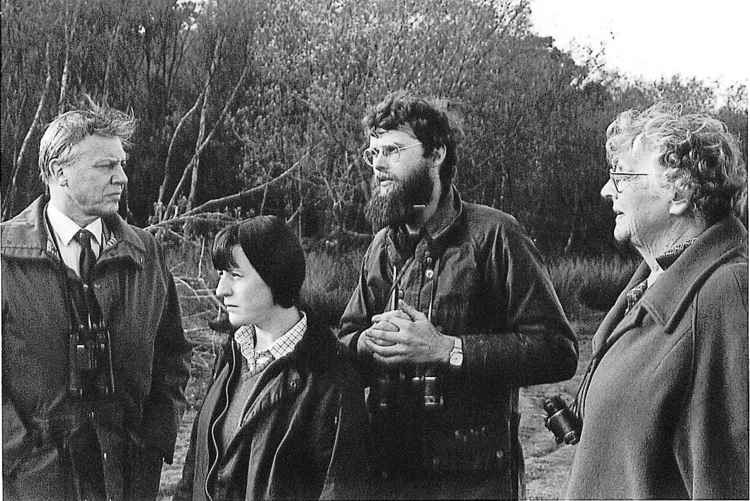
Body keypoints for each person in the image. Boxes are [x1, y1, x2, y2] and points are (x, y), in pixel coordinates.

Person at [338, 91, 578, 499]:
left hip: (473, 483)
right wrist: (366, 342)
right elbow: (345, 340)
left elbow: (557, 351)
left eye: (392, 150)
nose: (377, 164)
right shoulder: (382, 247)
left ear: (436, 154)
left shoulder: (495, 235)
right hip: (387, 476)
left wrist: (447, 348)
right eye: (372, 152)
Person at [1, 104, 192, 500]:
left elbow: (172, 355)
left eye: (121, 164)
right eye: (106, 166)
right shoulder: (4, 256)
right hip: (35, 484)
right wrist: (19, 456)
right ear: (58, 173)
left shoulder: (146, 253)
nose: (121, 177)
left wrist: (156, 439)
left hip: (128, 478)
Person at [565, 104, 748, 499]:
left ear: (679, 192)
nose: (606, 190)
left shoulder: (727, 294)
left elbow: (732, 482)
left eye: (622, 177)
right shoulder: (652, 281)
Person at [174, 216, 371, 500]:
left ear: (275, 275)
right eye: (221, 274)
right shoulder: (232, 356)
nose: (221, 290)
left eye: (236, 275)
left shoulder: (333, 381)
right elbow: (194, 471)